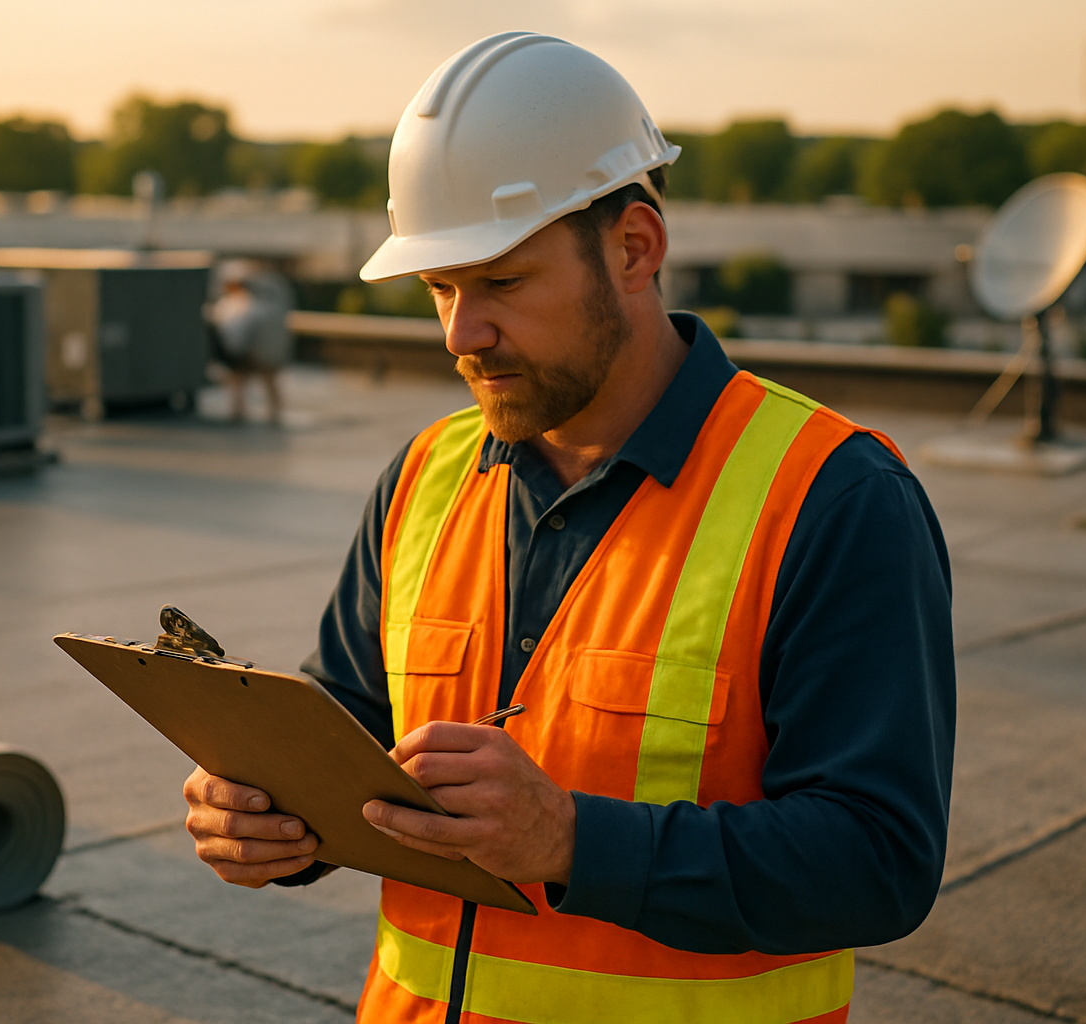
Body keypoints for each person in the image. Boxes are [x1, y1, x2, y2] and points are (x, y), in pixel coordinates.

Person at [184, 31, 954, 1023]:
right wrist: (273, 818)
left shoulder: (831, 498)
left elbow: (879, 862)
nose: (461, 333)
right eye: (440, 288)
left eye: (501, 282)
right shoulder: (422, 476)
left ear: (634, 248)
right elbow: (353, 734)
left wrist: (570, 841)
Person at [207, 259, 294, 423]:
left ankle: (239, 411)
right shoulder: (272, 302)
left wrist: (234, 351)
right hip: (270, 352)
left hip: (251, 352)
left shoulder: (245, 305)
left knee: (238, 378)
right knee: (268, 381)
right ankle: (273, 412)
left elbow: (236, 334)